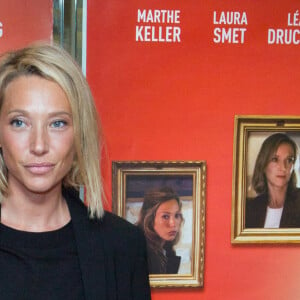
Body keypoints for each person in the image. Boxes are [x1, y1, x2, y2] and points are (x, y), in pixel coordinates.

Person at [0, 43, 151, 299]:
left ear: (79, 134)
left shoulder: (122, 246)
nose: (39, 145)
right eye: (20, 122)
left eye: (57, 123)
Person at [246, 133, 300, 228]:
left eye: (289, 160)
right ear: (263, 165)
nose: (283, 168)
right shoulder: (250, 207)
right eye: (275, 159)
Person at [136, 187, 183, 274]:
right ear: (150, 219)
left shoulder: (167, 250)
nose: (173, 224)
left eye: (176, 215)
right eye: (165, 216)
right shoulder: (139, 252)